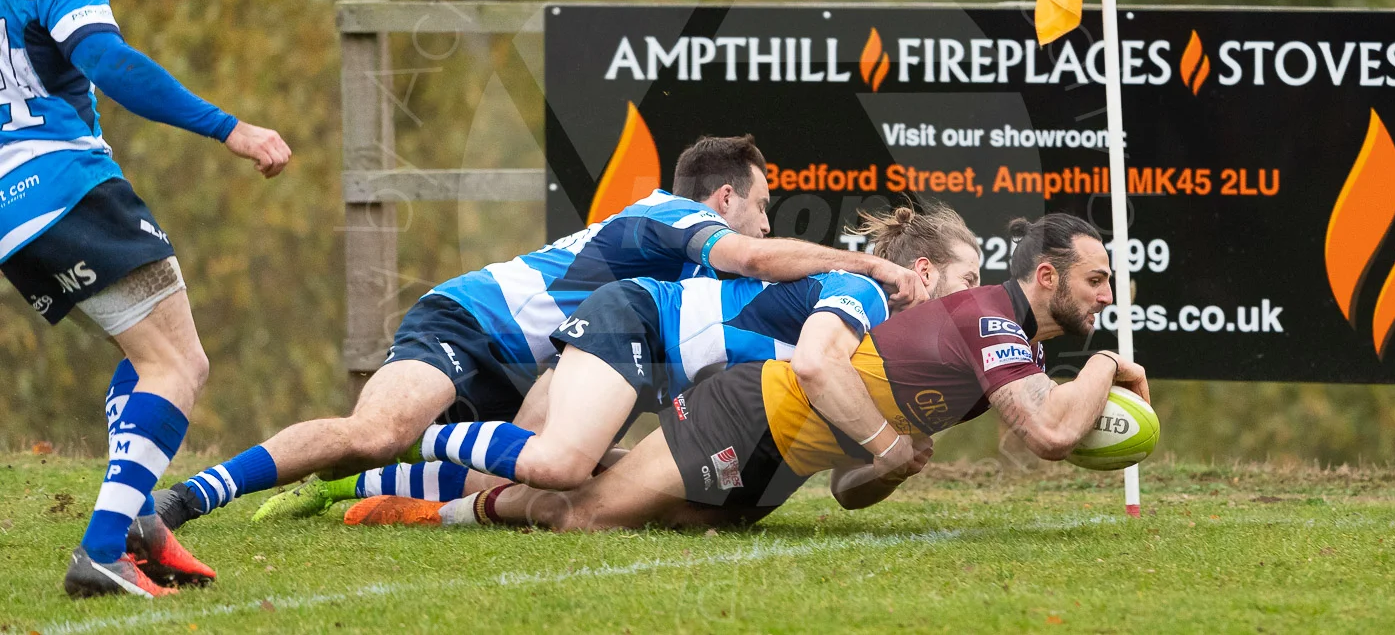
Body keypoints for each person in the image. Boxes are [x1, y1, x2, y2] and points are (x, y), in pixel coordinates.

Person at [160, 135, 927, 528]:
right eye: (762, 203)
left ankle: (343, 493)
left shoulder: (698, 284)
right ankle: (189, 498)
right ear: (724, 197)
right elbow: (759, 254)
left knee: (531, 474)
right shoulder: (669, 214)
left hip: (539, 364)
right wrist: (871, 267)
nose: (766, 220)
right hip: (470, 322)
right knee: (380, 428)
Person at [350, 212, 1149, 532]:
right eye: (1096, 281)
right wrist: (1110, 364)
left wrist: (892, 465)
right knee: (578, 511)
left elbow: (849, 488)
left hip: (785, 471)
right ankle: (418, 478)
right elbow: (1049, 432)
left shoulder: (1011, 353)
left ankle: (436, 499)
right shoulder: (984, 318)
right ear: (1046, 278)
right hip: (749, 411)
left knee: (591, 495)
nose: (1107, 297)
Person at [0, 0, 292, 598]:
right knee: (178, 364)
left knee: (150, 360)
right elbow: (109, 63)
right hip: (69, 186)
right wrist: (231, 128)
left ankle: (140, 526)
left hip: (10, 218)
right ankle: (103, 547)